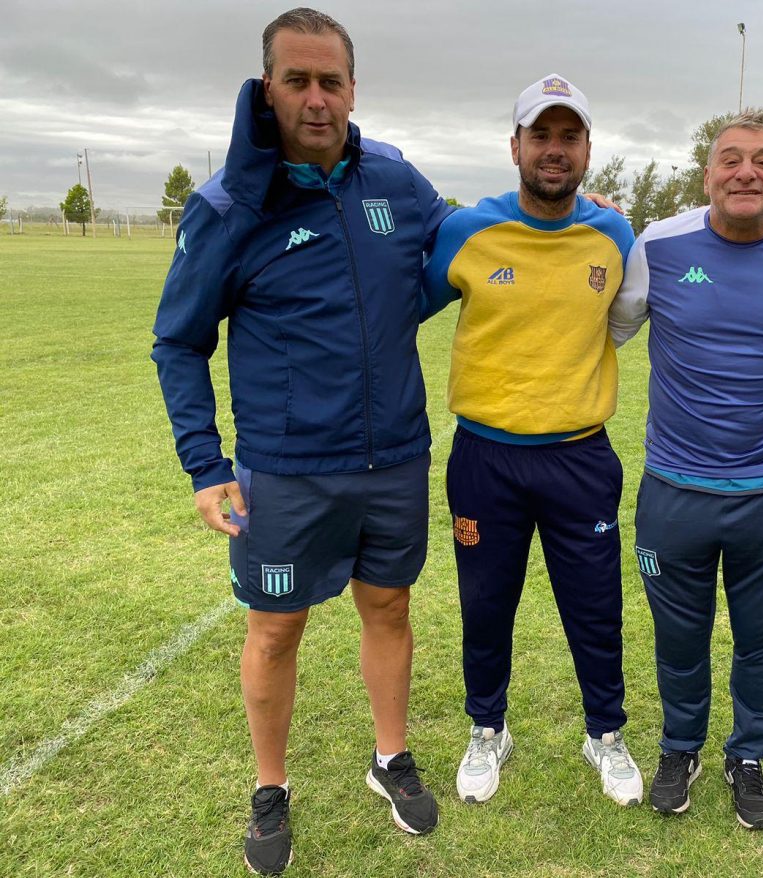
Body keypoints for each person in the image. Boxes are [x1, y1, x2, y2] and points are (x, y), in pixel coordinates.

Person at [152, 8, 453, 873]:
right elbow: (178, 340)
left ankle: (389, 758)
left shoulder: (395, 180)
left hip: (394, 459)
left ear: (354, 88)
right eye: (298, 81)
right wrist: (206, 467)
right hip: (285, 475)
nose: (317, 99)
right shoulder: (227, 207)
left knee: (389, 608)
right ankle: (271, 785)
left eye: (332, 81)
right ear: (266, 89)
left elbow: (456, 255)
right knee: (276, 629)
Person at [609, 110, 763, 830]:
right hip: (674, 493)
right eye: (732, 159)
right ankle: (679, 748)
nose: (747, 172)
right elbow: (609, 329)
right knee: (679, 637)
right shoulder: (659, 245)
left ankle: (747, 755)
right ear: (707, 173)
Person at [421, 74, 643, 808]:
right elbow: (397, 309)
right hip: (485, 458)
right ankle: (488, 729)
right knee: (486, 603)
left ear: (587, 151)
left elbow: (629, 316)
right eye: (540, 136)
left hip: (580, 454)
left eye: (569, 137)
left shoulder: (614, 234)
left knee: (595, 607)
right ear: (514, 146)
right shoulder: (467, 231)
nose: (555, 150)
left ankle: (604, 734)